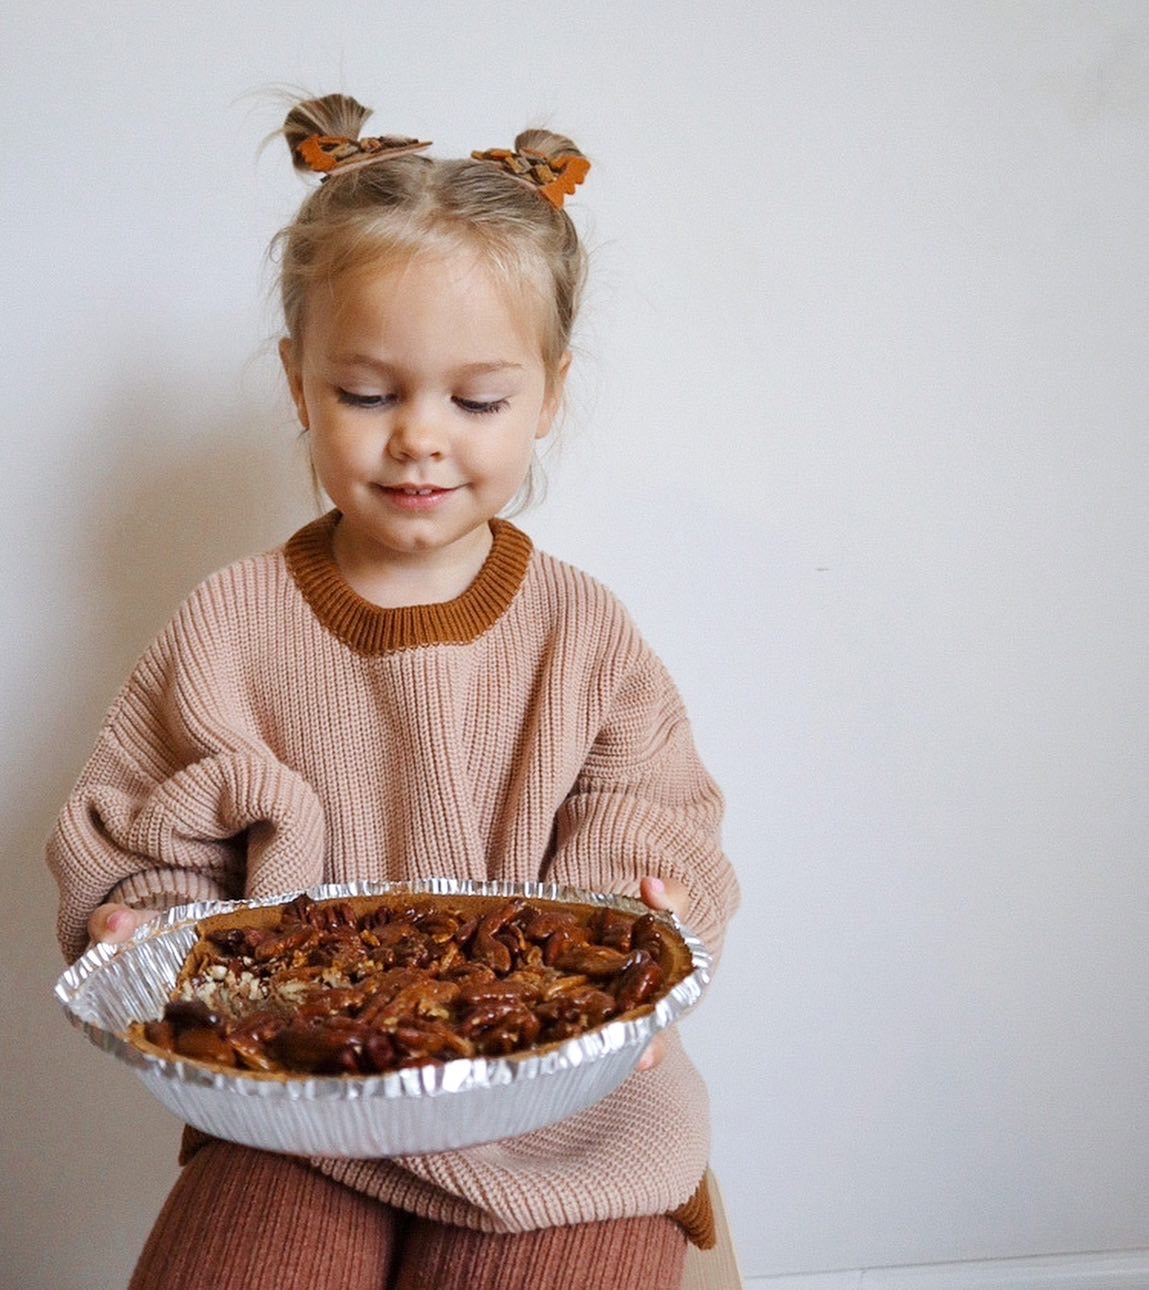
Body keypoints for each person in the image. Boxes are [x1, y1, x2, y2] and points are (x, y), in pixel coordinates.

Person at [47, 92, 740, 1290]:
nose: (421, 438)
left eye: (476, 401)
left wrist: (634, 935)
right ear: (298, 382)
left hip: (564, 1119)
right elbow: (154, 824)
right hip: (298, 1105)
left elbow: (651, 817)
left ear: (550, 395)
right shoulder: (228, 624)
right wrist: (143, 919)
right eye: (369, 395)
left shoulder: (583, 631)